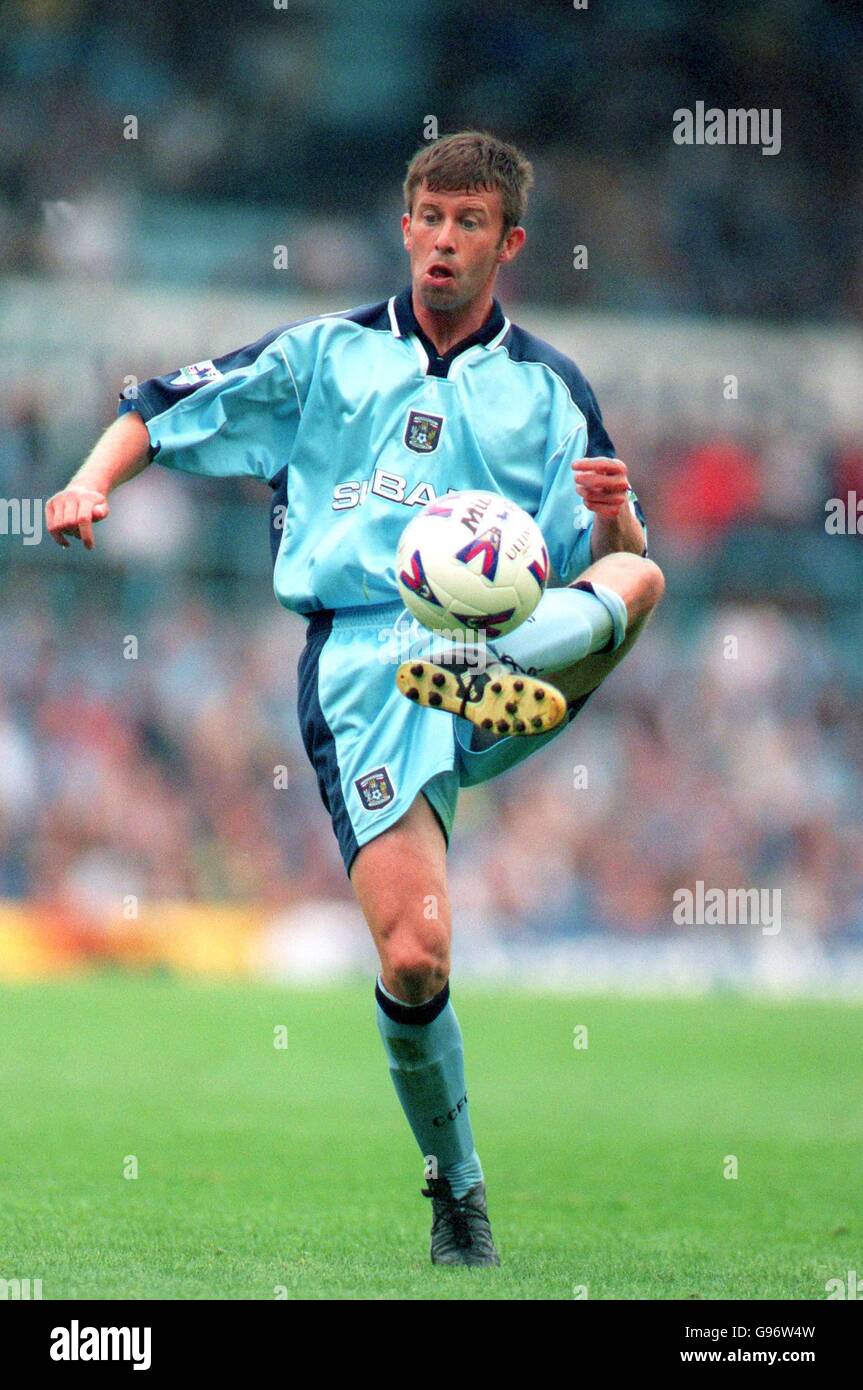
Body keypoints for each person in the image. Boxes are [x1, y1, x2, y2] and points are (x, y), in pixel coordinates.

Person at [46, 131, 664, 1268]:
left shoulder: (549, 390)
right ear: (404, 227)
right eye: (427, 218)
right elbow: (161, 402)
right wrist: (89, 481)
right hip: (369, 663)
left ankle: (495, 671)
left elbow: (609, 549)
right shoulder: (325, 357)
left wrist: (616, 513)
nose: (442, 240)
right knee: (418, 955)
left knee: (645, 572)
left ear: (507, 242)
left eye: (467, 223)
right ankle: (458, 1192)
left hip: (508, 640)